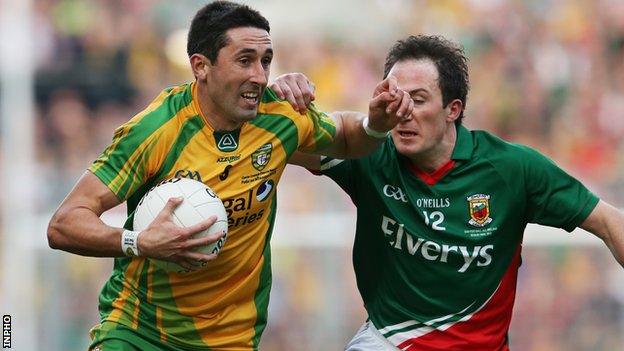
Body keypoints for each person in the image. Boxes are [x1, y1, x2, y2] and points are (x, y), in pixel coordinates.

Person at [46, 2, 415, 350]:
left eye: (265, 61)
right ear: (200, 66)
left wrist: (376, 124)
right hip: (138, 331)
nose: (259, 75)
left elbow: (348, 138)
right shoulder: (155, 130)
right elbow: (63, 225)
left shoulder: (280, 117)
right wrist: (139, 242)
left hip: (230, 338)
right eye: (244, 60)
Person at [279, 35, 624, 350]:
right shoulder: (367, 151)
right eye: (394, 98)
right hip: (388, 342)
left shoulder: (511, 169)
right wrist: (277, 100)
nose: (402, 112)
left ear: (452, 109)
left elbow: (609, 221)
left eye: (417, 99)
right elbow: (277, 141)